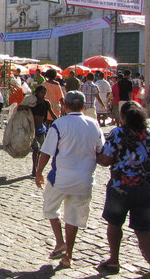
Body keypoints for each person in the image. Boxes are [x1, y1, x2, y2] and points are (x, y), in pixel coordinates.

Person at [95, 102, 150, 279]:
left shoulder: (118, 133)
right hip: (148, 190)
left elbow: (106, 160)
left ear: (123, 118)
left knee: (114, 224)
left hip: (121, 188)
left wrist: (96, 156)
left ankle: (114, 260)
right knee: (144, 229)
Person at [34, 91, 104, 268]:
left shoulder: (59, 124)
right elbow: (101, 151)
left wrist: (39, 172)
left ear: (64, 105)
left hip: (61, 178)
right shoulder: (93, 124)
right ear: (83, 105)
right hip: (85, 180)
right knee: (73, 217)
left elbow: (46, 152)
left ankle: (59, 241)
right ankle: (68, 256)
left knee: (50, 208)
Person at [18, 85, 56, 177]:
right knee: (36, 148)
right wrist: (26, 106)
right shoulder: (32, 102)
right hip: (32, 129)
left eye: (44, 92)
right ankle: (34, 170)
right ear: (37, 92)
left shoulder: (46, 103)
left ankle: (38, 168)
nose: (43, 94)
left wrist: (59, 121)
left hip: (41, 128)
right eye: (41, 92)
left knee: (42, 150)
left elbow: (52, 113)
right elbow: (19, 108)